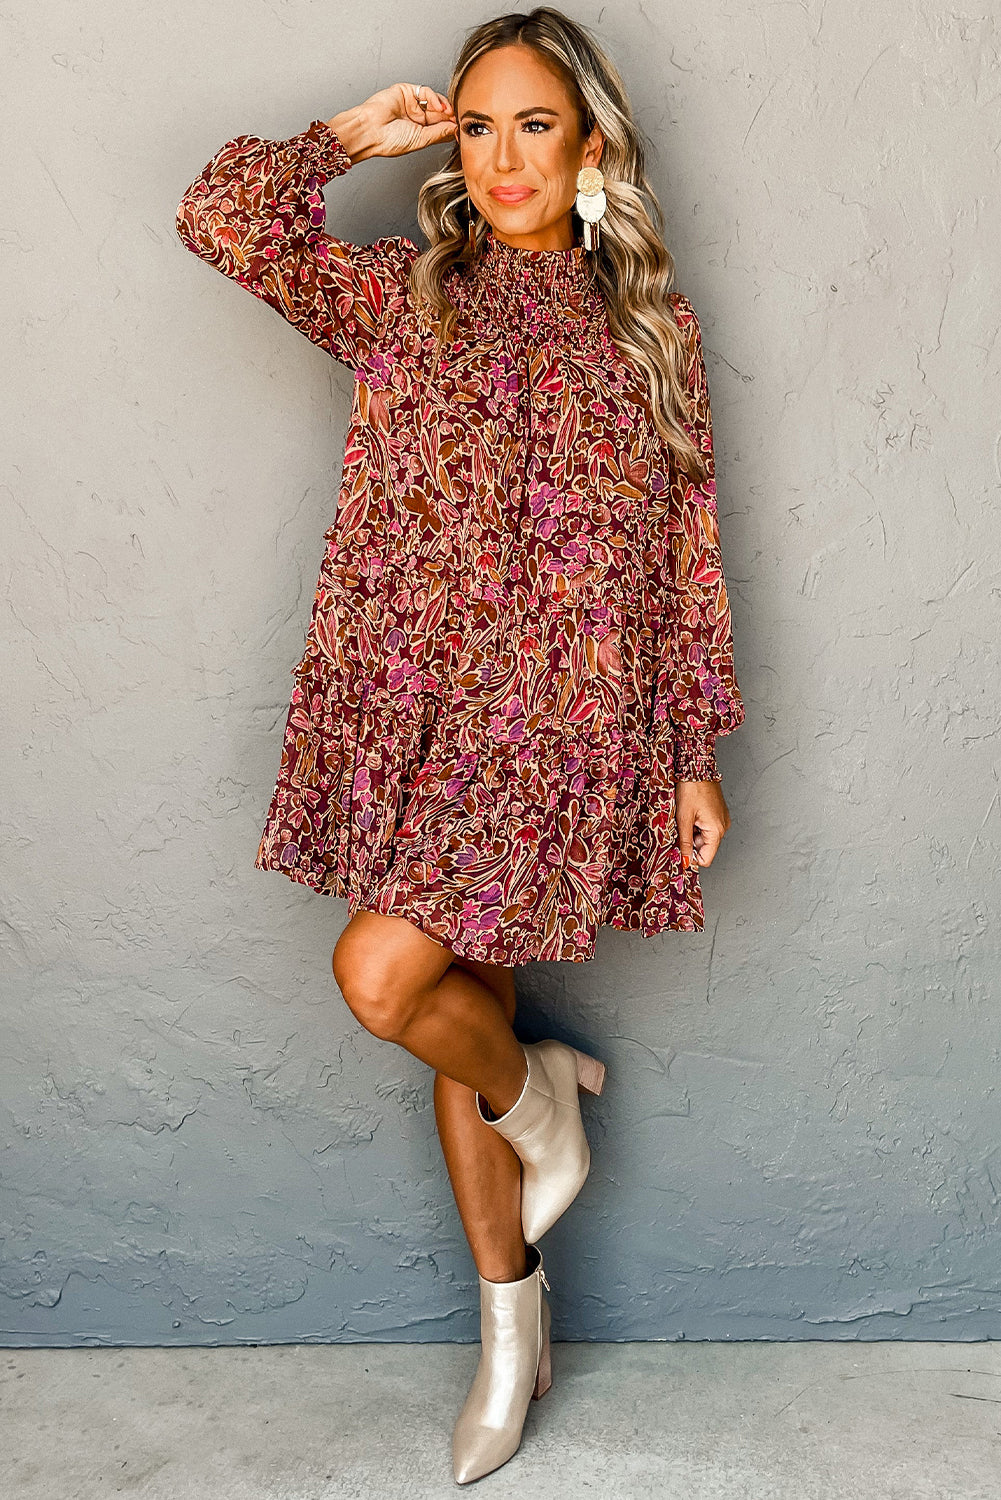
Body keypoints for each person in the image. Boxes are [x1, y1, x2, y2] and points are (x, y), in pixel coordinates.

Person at [176, 5, 746, 1485]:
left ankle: (533, 1101)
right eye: (477, 125)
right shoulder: (404, 293)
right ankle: (512, 1306)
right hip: (413, 709)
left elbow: (685, 551)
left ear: (590, 144)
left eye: (534, 124)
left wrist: (690, 747)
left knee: (385, 977)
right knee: (449, 991)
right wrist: (346, 137)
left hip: (562, 726)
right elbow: (217, 217)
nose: (501, 158)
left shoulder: (651, 328)